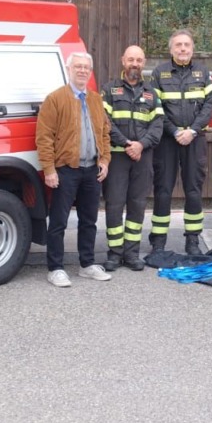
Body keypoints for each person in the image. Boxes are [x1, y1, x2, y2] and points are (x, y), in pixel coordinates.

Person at [35, 52, 113, 287]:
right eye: (78, 66)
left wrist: (105, 160)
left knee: (89, 221)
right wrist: (49, 169)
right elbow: (44, 137)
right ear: (69, 69)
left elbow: (104, 133)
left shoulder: (96, 100)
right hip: (66, 170)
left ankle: (87, 265)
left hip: (92, 170)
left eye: (86, 67)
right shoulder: (55, 99)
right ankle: (55, 269)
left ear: (90, 71)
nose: (82, 70)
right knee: (58, 221)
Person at [150, 30, 212, 255]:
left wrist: (193, 131)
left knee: (194, 190)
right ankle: (158, 242)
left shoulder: (203, 73)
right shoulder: (159, 73)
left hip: (195, 140)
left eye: (187, 45)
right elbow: (156, 108)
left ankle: (193, 241)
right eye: (178, 45)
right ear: (171, 49)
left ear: (192, 49)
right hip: (167, 141)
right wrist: (175, 131)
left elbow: (209, 106)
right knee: (163, 190)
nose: (183, 49)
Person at [102, 45, 163, 271]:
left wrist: (140, 145)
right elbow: (105, 122)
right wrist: (127, 144)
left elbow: (157, 126)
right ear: (123, 61)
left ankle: (131, 253)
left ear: (143, 63)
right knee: (115, 204)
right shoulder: (109, 90)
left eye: (138, 60)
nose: (134, 64)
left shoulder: (152, 94)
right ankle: (114, 253)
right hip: (117, 157)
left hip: (142, 158)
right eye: (131, 59)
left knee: (137, 204)